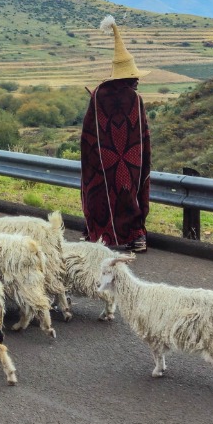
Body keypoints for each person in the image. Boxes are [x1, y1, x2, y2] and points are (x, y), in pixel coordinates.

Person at [79, 15, 151, 252]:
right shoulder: (134, 99)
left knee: (98, 193)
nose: (138, 79)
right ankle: (135, 237)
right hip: (129, 161)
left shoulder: (99, 94)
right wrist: (139, 159)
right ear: (129, 76)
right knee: (128, 194)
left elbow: (89, 131)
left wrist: (94, 158)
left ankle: (98, 234)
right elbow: (141, 134)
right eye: (135, 76)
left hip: (100, 159)